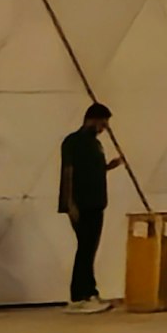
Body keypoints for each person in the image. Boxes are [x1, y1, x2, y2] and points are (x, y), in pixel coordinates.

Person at [55, 102, 119, 312]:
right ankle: (79, 295)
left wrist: (110, 166)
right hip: (81, 204)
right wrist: (70, 204)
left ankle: (90, 291)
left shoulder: (95, 144)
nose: (104, 128)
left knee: (89, 250)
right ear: (92, 119)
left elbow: (93, 170)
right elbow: (68, 172)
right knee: (85, 249)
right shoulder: (73, 142)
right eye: (102, 123)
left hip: (97, 203)